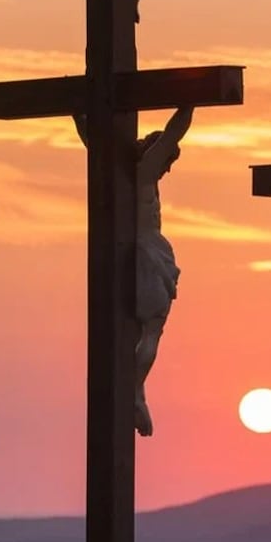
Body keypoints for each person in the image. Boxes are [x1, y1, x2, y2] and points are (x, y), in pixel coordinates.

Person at [73, 107, 194, 436]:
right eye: (166, 158)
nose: (166, 167)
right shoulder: (143, 175)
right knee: (151, 329)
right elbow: (174, 132)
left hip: (132, 253)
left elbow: (96, 146)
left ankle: (135, 391)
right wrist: (191, 103)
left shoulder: (126, 177)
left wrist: (80, 115)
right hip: (147, 255)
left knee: (144, 331)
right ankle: (134, 389)